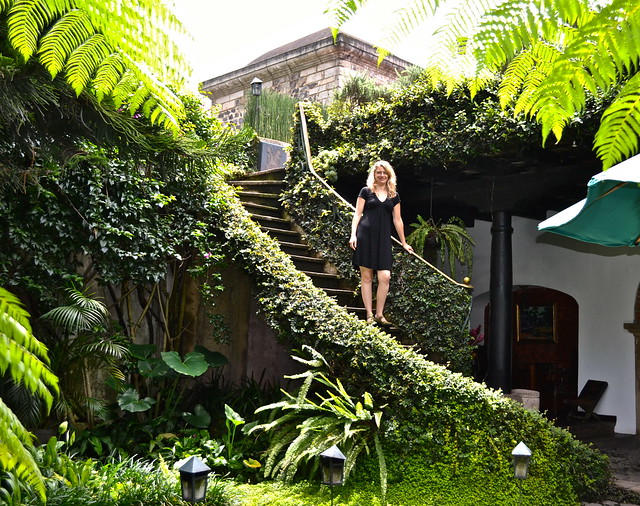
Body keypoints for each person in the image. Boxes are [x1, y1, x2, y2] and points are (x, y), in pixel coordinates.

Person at [349, 160, 413, 325]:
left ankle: (379, 313)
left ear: (389, 175)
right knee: (367, 276)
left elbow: (397, 220)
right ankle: (369, 314)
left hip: (383, 239)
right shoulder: (366, 191)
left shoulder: (394, 195)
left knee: (385, 276)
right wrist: (353, 235)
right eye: (379, 172)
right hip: (365, 236)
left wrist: (404, 242)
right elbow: (357, 214)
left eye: (384, 173)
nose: (382, 175)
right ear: (374, 175)